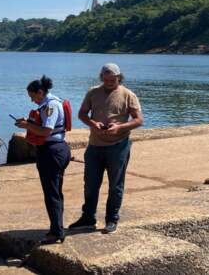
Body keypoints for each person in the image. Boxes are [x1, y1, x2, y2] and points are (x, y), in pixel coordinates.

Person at [69, 63, 143, 234]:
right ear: (101, 77)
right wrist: (92, 123)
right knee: (90, 184)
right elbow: (82, 114)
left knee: (115, 185)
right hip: (94, 146)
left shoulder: (128, 95)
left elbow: (139, 120)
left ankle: (111, 219)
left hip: (118, 146)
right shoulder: (93, 92)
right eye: (106, 79)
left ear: (119, 77)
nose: (109, 82)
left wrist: (120, 128)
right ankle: (88, 217)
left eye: (113, 79)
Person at [15, 76, 70, 245]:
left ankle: (56, 232)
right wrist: (30, 123)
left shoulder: (50, 105)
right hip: (58, 149)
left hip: (52, 151)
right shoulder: (51, 103)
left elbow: (46, 130)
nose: (31, 100)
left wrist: (27, 126)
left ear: (40, 92)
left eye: (32, 96)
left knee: (51, 194)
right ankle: (57, 228)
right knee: (55, 192)